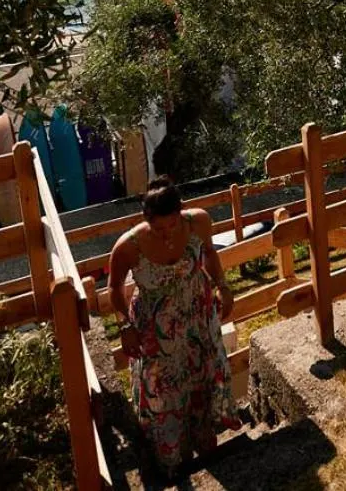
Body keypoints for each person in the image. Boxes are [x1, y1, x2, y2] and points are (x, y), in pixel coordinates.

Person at [107, 176, 242, 473]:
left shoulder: (199, 222)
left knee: (202, 382)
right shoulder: (128, 246)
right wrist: (124, 326)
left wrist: (223, 286)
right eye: (159, 228)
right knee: (164, 392)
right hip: (156, 332)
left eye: (172, 225)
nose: (167, 234)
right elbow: (114, 289)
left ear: (181, 212)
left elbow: (209, 253)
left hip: (198, 318)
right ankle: (172, 464)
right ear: (146, 220)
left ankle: (207, 452)